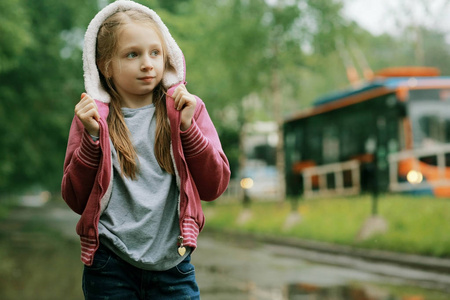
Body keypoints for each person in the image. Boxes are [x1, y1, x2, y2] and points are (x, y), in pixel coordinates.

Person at [61, 1, 230, 299]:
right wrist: (91, 139)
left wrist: (188, 131)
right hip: (109, 266)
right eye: (132, 54)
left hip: (173, 267)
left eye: (155, 52)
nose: (147, 63)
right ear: (105, 66)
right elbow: (75, 198)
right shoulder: (91, 118)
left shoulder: (186, 109)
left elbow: (215, 185)